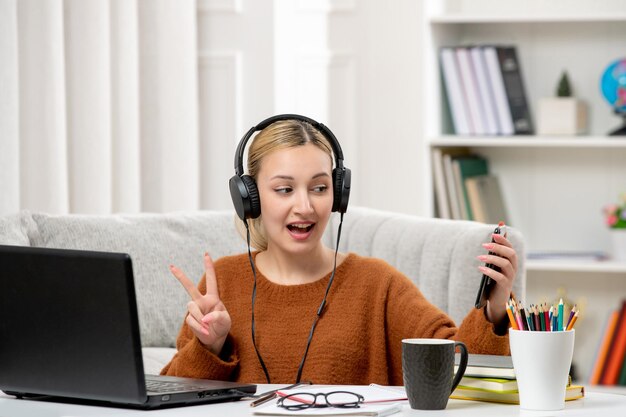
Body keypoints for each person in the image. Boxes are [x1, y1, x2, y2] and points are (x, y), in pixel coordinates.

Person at [161, 115, 518, 386]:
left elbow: (458, 371)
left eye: (319, 188)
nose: (305, 206)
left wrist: (495, 311)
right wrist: (211, 347)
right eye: (284, 190)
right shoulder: (222, 282)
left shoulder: (377, 285)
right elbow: (174, 397)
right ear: (249, 198)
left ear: (337, 194)